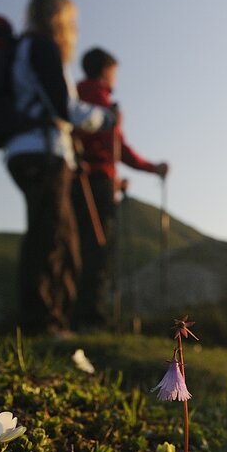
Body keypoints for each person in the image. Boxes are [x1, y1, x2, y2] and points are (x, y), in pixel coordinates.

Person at [5, 0, 118, 336]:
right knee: (52, 239)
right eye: (72, 21)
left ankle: (51, 321)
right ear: (60, 18)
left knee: (58, 237)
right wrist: (106, 119)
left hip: (26, 149)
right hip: (44, 152)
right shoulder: (42, 47)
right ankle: (43, 325)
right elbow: (64, 108)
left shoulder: (23, 49)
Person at [71, 47, 168, 331]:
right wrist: (153, 168)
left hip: (81, 178)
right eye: (114, 71)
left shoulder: (76, 94)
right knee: (98, 248)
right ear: (105, 70)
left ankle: (76, 312)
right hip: (96, 181)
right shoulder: (100, 101)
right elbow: (119, 148)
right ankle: (90, 316)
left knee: (79, 245)